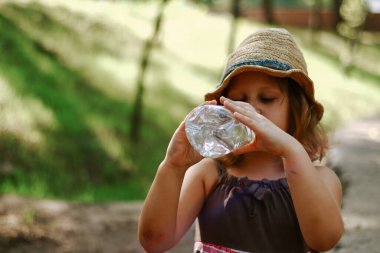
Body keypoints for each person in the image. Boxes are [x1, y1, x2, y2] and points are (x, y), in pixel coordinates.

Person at [138, 28, 344, 253]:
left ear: (296, 110)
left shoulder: (320, 180)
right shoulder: (209, 174)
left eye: (267, 98)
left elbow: (324, 240)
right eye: (238, 100)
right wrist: (172, 166)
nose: (251, 109)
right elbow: (154, 242)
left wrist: (292, 151)